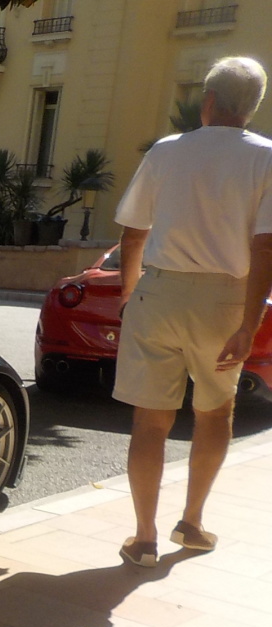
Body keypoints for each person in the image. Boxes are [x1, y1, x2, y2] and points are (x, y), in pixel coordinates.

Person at [113, 56, 272, 568]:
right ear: (252, 107)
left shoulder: (166, 150)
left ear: (207, 102)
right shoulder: (267, 158)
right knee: (214, 412)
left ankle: (142, 538)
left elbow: (133, 232)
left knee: (150, 421)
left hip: (158, 293)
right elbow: (265, 246)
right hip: (225, 300)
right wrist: (250, 324)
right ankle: (193, 521)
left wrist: (129, 294)